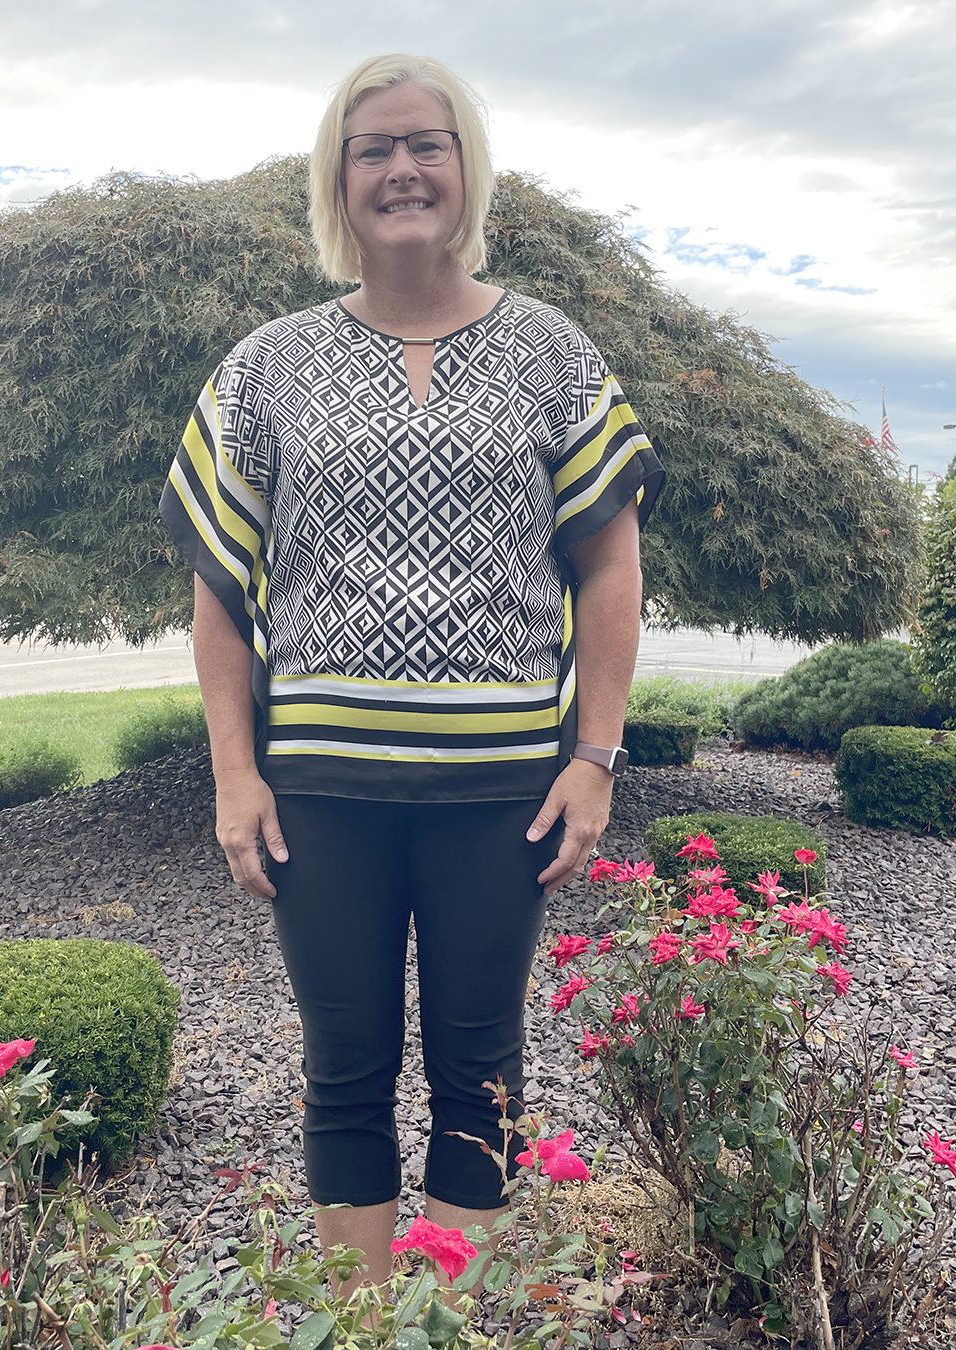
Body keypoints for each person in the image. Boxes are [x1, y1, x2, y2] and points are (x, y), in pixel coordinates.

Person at [159, 52, 664, 1291]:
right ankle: (367, 1321)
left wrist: (594, 759)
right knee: (344, 1070)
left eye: (424, 143)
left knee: (481, 1068)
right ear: (340, 177)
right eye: (373, 148)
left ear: (465, 166)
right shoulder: (265, 366)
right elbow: (220, 587)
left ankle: (449, 1319)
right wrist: (236, 775)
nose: (401, 170)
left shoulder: (551, 351)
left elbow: (610, 571)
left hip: (505, 789)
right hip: (323, 789)